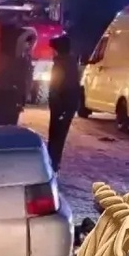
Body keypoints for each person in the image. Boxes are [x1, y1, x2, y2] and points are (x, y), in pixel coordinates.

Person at [0, 26, 36, 125]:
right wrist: (24, 96)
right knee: (7, 125)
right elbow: (24, 79)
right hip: (10, 95)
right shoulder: (20, 57)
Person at [46, 34, 81, 171]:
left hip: (61, 104)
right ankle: (54, 161)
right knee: (60, 135)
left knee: (56, 134)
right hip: (68, 104)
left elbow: (56, 86)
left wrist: (54, 102)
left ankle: (52, 162)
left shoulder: (61, 63)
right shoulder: (72, 63)